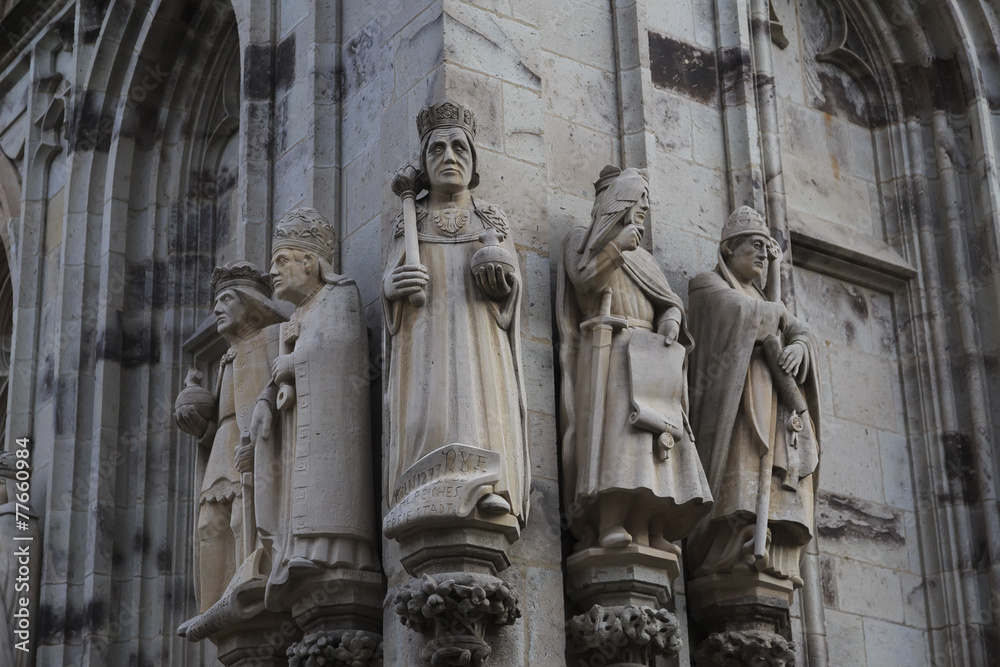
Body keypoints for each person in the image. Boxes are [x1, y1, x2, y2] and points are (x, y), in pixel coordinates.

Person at [382, 100, 529, 525]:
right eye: (437, 149)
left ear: (473, 160)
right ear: (424, 165)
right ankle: (424, 485)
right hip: (423, 339)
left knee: (480, 403)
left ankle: (489, 487)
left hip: (480, 336)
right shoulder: (410, 221)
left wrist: (504, 284)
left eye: (459, 148)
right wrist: (393, 287)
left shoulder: (491, 218)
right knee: (430, 406)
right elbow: (392, 281)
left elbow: (512, 289)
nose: (449, 157)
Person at [556, 165, 711, 552]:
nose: (644, 207)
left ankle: (649, 524)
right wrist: (615, 246)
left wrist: (671, 322)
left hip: (649, 355)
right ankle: (610, 521)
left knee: (654, 443)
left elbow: (668, 302)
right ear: (616, 201)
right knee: (620, 440)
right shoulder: (584, 240)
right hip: (610, 349)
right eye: (638, 199)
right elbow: (585, 280)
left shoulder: (643, 256)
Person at [250, 208, 380, 611]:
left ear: (310, 262)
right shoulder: (301, 312)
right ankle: (299, 551)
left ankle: (334, 553)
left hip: (333, 421)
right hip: (304, 419)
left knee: (327, 491)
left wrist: (294, 364)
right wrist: (270, 397)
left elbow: (341, 348)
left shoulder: (340, 293)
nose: (272, 271)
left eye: (281, 261)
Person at [686, 206, 820, 585]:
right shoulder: (707, 286)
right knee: (741, 477)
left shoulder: (763, 298)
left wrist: (800, 348)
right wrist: (774, 310)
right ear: (728, 249)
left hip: (773, 401)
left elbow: (800, 330)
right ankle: (732, 542)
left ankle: (772, 547)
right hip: (739, 405)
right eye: (754, 246)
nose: (763, 254)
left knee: (776, 479)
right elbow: (745, 314)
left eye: (767, 249)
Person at [174, 261, 285, 625]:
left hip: (252, 444)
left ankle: (250, 584)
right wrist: (201, 429)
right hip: (222, 446)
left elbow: (285, 398)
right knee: (210, 525)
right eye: (215, 302)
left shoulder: (274, 337)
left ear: (250, 304)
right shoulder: (226, 357)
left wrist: (265, 445)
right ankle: (211, 608)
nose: (216, 310)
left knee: (242, 520)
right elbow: (226, 414)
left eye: (225, 300)